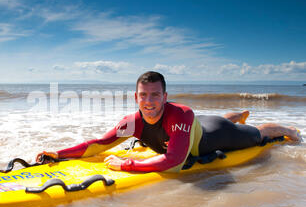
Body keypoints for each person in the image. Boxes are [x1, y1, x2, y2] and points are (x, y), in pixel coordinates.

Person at [36, 71, 300, 173]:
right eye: (143, 95)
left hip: (212, 138)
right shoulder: (132, 122)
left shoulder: (180, 114)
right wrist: (58, 154)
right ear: (136, 97)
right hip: (201, 125)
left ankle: (285, 128)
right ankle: (237, 114)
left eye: (155, 95)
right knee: (220, 119)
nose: (148, 101)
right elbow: (100, 144)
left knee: (255, 133)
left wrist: (125, 164)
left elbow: (174, 159)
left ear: (165, 97)